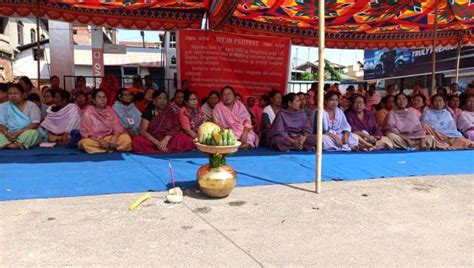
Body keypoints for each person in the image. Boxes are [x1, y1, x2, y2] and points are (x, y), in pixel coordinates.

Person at [78, 90, 132, 154]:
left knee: (126, 138)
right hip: (95, 139)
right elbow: (86, 132)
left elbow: (117, 127)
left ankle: (106, 148)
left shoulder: (110, 111)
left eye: (104, 97)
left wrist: (114, 138)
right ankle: (111, 148)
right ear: (94, 101)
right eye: (99, 97)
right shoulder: (88, 112)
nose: (102, 99)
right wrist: (99, 140)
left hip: (109, 138)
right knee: (84, 143)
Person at [0, 84, 41, 149]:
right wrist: (6, 133)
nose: (13, 96)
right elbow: (1, 124)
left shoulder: (31, 105)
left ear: (23, 94)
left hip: (24, 132)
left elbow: (35, 123)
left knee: (33, 133)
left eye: (16, 93)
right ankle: (13, 145)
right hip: (8, 133)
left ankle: (7, 144)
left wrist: (19, 132)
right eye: (10, 94)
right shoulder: (3, 106)